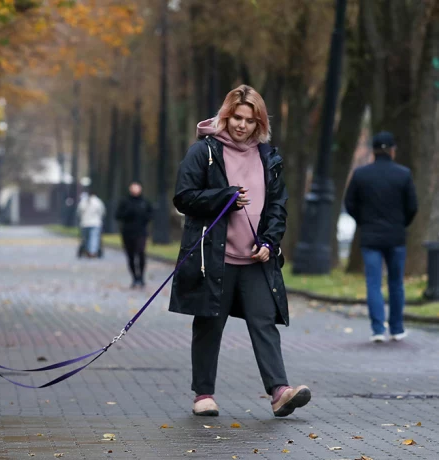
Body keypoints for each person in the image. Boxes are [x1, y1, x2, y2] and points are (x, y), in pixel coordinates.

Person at [170, 85, 310, 418]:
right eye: (236, 117)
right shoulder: (204, 152)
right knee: (209, 324)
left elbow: (278, 205)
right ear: (225, 115)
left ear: (259, 122)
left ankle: (279, 392)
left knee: (264, 322)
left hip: (255, 258)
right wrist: (224, 197)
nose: (241, 125)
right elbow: (183, 196)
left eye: (249, 119)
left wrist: (269, 242)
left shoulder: (267, 156)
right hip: (214, 256)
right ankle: (203, 394)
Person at [344, 131, 418, 343]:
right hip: (396, 236)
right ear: (393, 150)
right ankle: (396, 328)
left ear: (373, 151)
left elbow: (350, 204)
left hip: (370, 237)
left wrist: (363, 221)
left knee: (373, 283)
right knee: (396, 283)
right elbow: (412, 206)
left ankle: (377, 329)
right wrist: (401, 223)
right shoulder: (403, 174)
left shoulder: (361, 175)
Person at [115, 182, 153, 288]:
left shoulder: (145, 202)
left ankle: (141, 277)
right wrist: (128, 212)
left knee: (141, 253)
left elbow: (150, 215)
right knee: (130, 256)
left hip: (141, 232)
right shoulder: (125, 202)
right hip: (127, 233)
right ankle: (135, 278)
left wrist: (144, 217)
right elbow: (118, 215)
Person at [76, 190, 106, 258]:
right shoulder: (98, 202)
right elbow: (102, 211)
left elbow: (79, 212)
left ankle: (88, 250)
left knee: (86, 238)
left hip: (84, 223)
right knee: (94, 238)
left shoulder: (83, 202)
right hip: (95, 223)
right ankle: (92, 252)